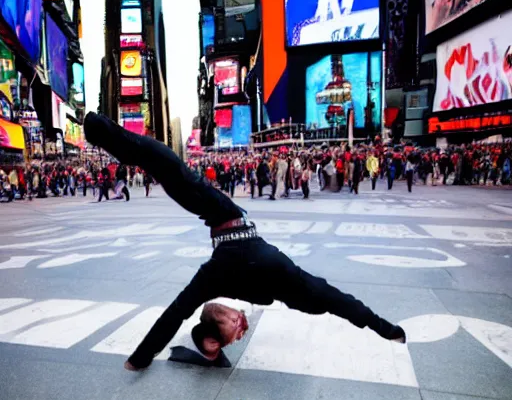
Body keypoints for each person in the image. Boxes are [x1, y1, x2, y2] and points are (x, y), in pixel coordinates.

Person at [83, 112, 407, 372]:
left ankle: (102, 131)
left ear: (216, 328)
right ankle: (103, 130)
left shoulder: (211, 280)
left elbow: (176, 313)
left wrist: (141, 357)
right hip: (236, 231)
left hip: (233, 233)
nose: (241, 329)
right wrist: (381, 326)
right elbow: (177, 312)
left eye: (232, 329)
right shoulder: (216, 281)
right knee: (172, 172)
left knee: (171, 172)